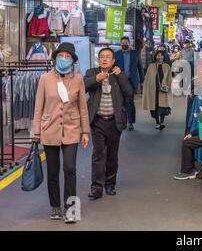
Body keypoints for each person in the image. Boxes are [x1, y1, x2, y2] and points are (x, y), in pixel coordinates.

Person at [33, 42, 90, 223]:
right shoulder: (45, 79)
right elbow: (38, 108)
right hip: (49, 130)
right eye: (61, 56)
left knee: (70, 168)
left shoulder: (78, 79)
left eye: (68, 57)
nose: (64, 59)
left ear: (72, 61)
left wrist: (85, 131)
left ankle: (71, 208)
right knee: (53, 171)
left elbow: (83, 108)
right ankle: (56, 206)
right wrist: (36, 132)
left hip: (71, 130)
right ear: (55, 58)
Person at [84, 48, 133, 200]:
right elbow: (83, 86)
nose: (104, 59)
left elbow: (128, 92)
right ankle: (96, 188)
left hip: (114, 121)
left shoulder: (118, 74)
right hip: (97, 121)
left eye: (108, 57)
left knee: (112, 155)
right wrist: (96, 79)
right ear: (98, 60)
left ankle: (110, 184)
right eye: (102, 57)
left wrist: (120, 76)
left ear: (113, 61)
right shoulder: (92, 72)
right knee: (98, 154)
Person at [114, 37, 145, 131]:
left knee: (129, 102)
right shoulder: (116, 54)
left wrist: (142, 81)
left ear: (129, 43)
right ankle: (122, 120)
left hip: (131, 82)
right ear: (120, 44)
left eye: (126, 43)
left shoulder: (135, 54)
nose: (124, 44)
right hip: (119, 81)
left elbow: (140, 67)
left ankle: (130, 122)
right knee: (120, 102)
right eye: (122, 43)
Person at [143, 50, 173, 130]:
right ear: (155, 56)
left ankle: (162, 122)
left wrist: (169, 87)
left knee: (163, 107)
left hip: (163, 90)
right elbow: (147, 79)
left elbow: (169, 78)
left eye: (161, 55)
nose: (160, 57)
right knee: (154, 106)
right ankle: (157, 122)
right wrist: (146, 88)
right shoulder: (151, 66)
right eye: (158, 55)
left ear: (164, 56)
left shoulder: (167, 66)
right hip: (153, 90)